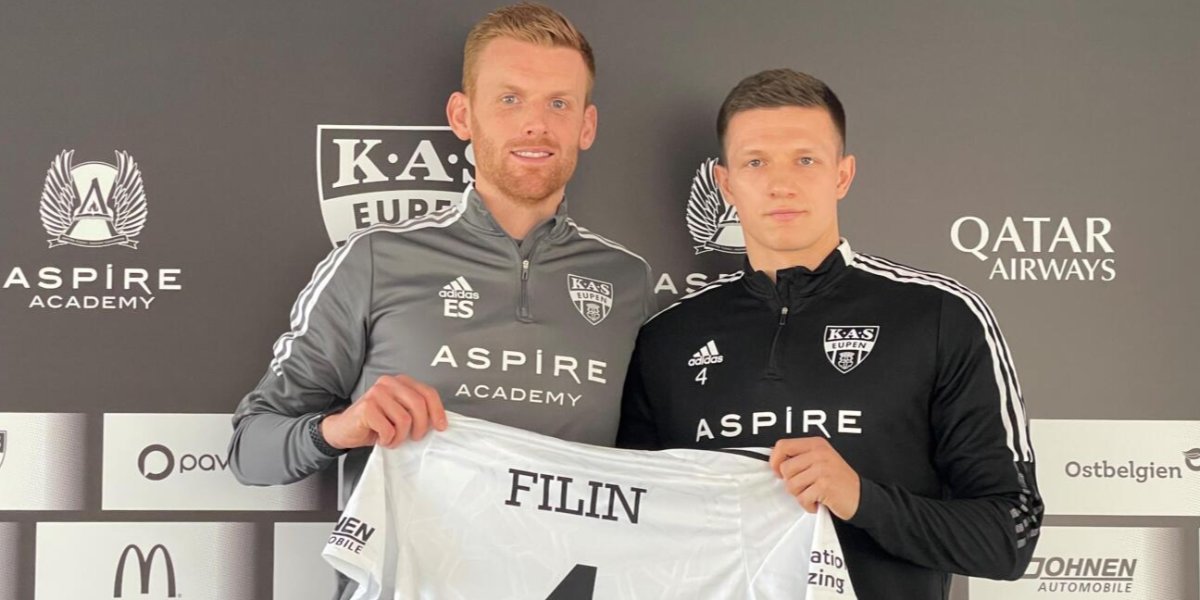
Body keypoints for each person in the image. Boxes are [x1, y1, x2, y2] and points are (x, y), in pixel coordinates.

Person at [229, 4, 655, 598]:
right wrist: (345, 428)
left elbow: (656, 473)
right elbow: (250, 451)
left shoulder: (627, 280)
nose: (535, 124)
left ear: (586, 126)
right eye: (510, 99)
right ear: (462, 115)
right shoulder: (377, 259)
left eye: (558, 103)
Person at [617, 69, 1042, 599]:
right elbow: (631, 533)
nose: (781, 184)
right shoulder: (668, 337)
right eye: (755, 162)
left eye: (806, 160)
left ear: (842, 175)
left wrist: (860, 498)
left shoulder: (940, 316)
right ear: (726, 184)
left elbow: (1009, 537)